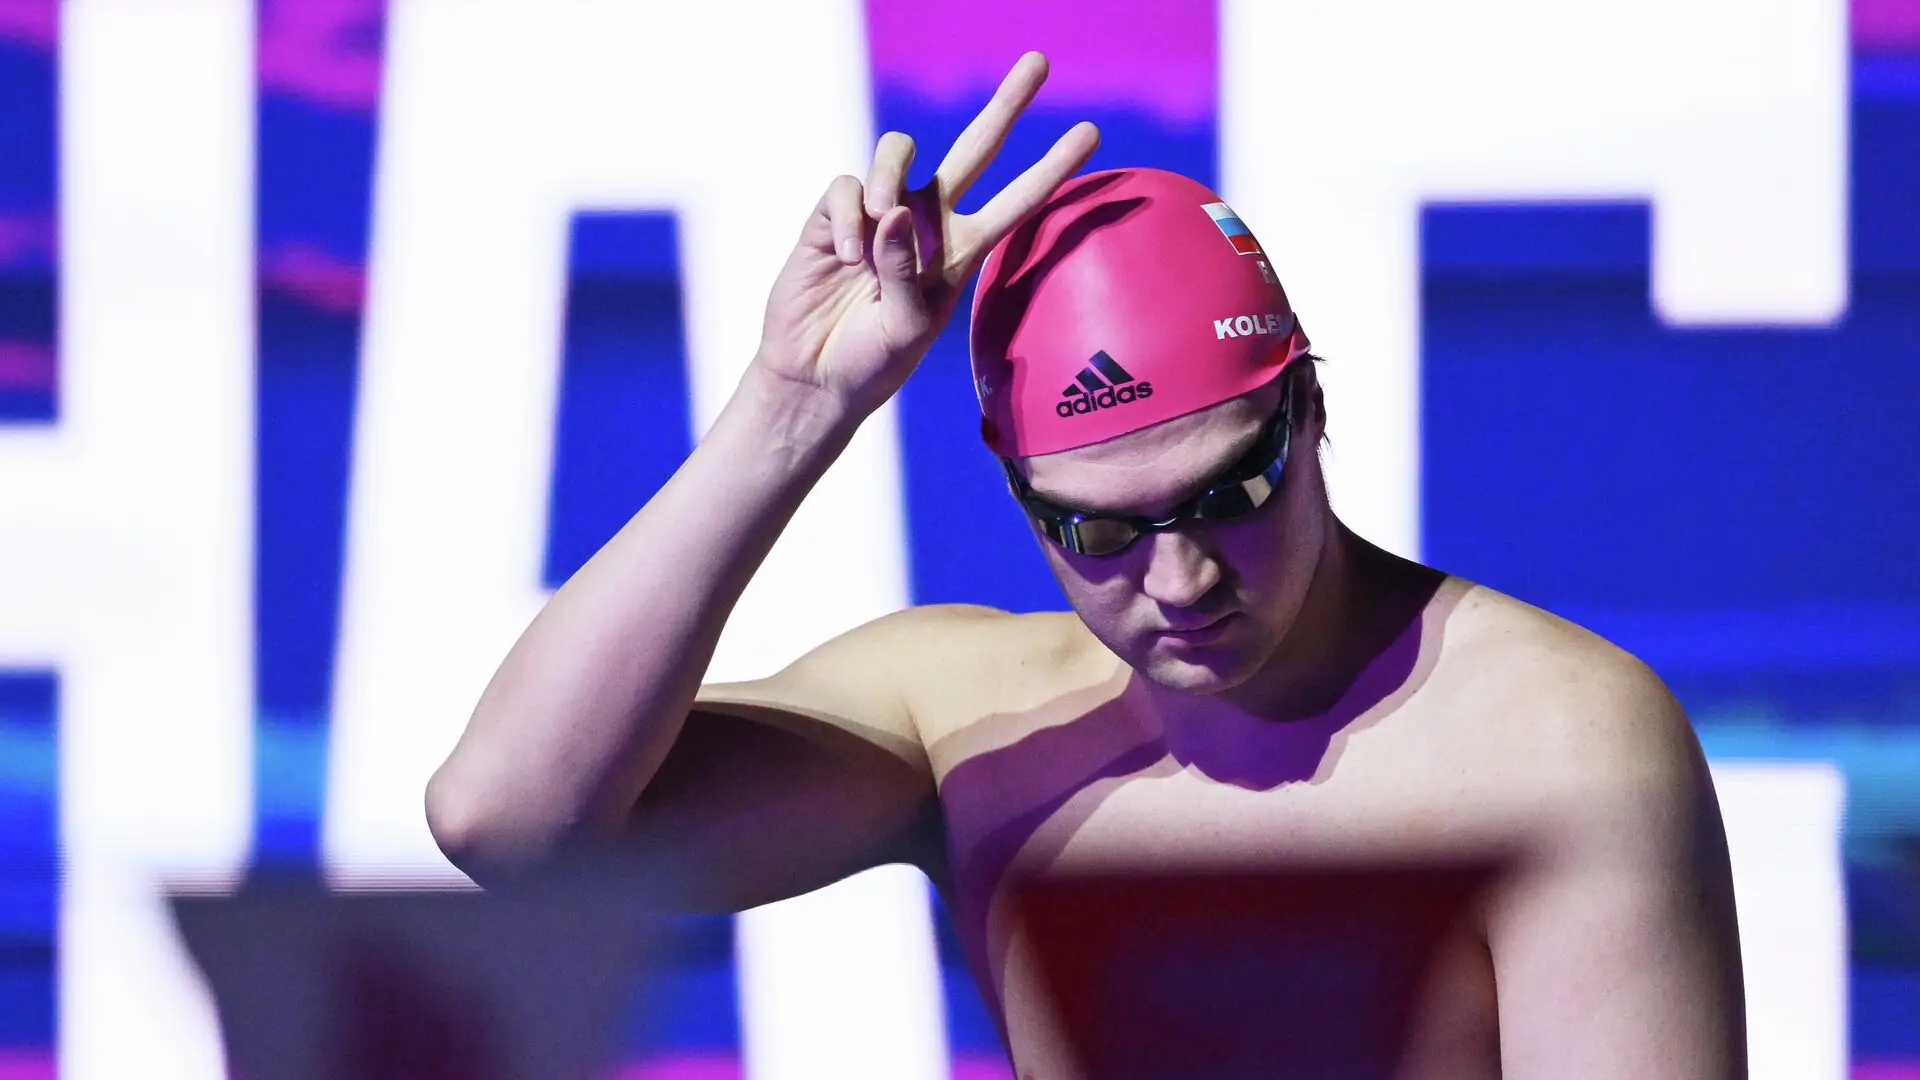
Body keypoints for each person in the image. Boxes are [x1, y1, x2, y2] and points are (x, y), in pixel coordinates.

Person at [424, 51, 1746, 1079]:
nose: (1182, 581)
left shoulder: (1553, 740)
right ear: (1021, 496)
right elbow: (511, 824)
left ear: (1309, 413)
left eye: (1229, 495)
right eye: (1102, 531)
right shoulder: (961, 725)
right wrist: (793, 404)